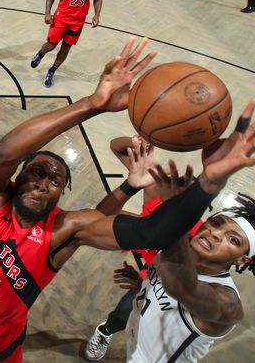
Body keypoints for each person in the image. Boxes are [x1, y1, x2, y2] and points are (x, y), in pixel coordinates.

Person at [0, 37, 255, 363]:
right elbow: (2, 153)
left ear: (61, 195)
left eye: (56, 181)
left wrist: (208, 183)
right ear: (16, 178)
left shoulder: (64, 228)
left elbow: (150, 234)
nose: (44, 184)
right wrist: (90, 104)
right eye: (36, 172)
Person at [83, 136, 203, 362]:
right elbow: (115, 146)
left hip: (175, 282)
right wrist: (139, 144)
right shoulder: (155, 192)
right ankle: (105, 331)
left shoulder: (200, 236)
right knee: (121, 313)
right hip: (149, 266)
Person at [122, 188, 255, 362]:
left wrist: (178, 214)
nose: (216, 234)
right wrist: (142, 284)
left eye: (233, 240)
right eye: (216, 223)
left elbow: (184, 289)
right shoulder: (175, 246)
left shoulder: (227, 302)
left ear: (242, 260)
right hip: (133, 345)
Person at [30, 0, 103, 88]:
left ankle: (52, 71)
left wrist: (97, 14)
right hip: (61, 18)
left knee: (66, 48)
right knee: (51, 45)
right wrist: (47, 13)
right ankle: (41, 53)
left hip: (78, 22)